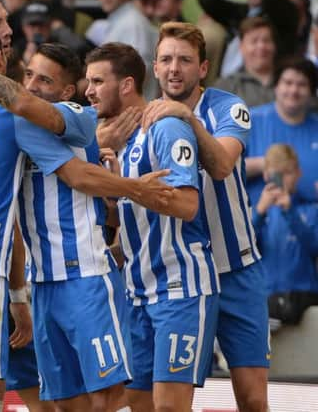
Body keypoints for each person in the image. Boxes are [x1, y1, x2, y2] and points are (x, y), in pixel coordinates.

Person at [0, 24, 174, 412]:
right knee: (62, 401)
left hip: (83, 274)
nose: (33, 85)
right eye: (29, 76)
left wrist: (131, 185)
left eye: (45, 79)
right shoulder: (11, 118)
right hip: (37, 281)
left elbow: (76, 174)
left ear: (69, 91)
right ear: (3, 64)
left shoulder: (68, 115)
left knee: (106, 397)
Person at [141, 22, 270, 412]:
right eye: (166, 59)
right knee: (169, 401)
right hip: (181, 281)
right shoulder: (142, 121)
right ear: (154, 67)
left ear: (203, 68)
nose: (174, 68)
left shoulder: (230, 107)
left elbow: (221, 166)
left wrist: (189, 120)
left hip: (237, 271)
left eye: (184, 60)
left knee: (251, 398)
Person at [86, 42, 219, 412]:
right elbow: (134, 215)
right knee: (137, 403)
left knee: (169, 407)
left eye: (98, 81)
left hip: (181, 289)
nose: (89, 91)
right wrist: (115, 202)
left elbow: (188, 205)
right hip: (138, 293)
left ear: (126, 85)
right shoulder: (124, 146)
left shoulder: (165, 128)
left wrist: (131, 189)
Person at [253, 144, 318, 326]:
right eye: (276, 174)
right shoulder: (257, 212)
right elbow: (243, 250)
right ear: (266, 175)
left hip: (304, 297)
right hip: (266, 295)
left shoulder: (311, 210)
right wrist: (259, 213)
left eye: (287, 173)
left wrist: (290, 211)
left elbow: (314, 246)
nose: (282, 180)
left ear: (298, 173)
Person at [246, 57, 318, 205]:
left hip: (310, 222)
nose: (294, 90)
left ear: (312, 92)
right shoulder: (249, 121)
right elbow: (223, 168)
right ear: (276, 86)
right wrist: (264, 164)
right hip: (257, 220)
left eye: (302, 84)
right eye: (288, 83)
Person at [214, 16, 276, 108]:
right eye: (254, 41)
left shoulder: (290, 82)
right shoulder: (225, 87)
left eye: (266, 40)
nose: (261, 46)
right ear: (242, 47)